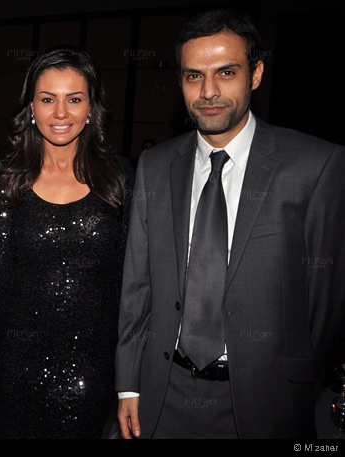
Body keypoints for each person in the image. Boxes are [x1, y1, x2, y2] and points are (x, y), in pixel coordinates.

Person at [115, 9, 345, 439]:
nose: (209, 91)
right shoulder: (155, 165)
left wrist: (289, 376)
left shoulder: (315, 165)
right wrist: (129, 384)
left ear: (255, 74)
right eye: (193, 76)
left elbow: (325, 302)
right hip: (161, 394)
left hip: (266, 403)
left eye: (226, 72)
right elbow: (137, 286)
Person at [0, 46, 133, 439]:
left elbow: (132, 287)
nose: (60, 113)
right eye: (47, 99)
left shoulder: (119, 179)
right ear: (31, 108)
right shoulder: (9, 183)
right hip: (15, 371)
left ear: (90, 108)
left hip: (95, 371)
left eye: (74, 99)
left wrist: (130, 382)